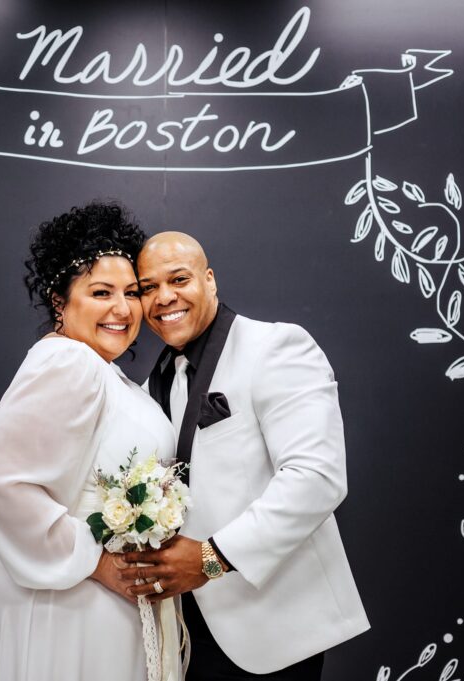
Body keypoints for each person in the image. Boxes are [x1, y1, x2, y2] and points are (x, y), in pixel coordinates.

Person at [122, 232, 370, 680]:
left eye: (179, 279)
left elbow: (317, 478)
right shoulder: (148, 384)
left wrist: (211, 559)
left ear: (210, 280)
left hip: (269, 625)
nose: (164, 298)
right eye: (147, 288)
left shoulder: (276, 346)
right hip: (179, 633)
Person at [0, 203, 179, 681]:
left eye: (131, 292)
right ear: (60, 300)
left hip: (91, 606)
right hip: (60, 604)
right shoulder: (68, 363)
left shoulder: (106, 373)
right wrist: (97, 561)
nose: (123, 309)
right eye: (101, 292)